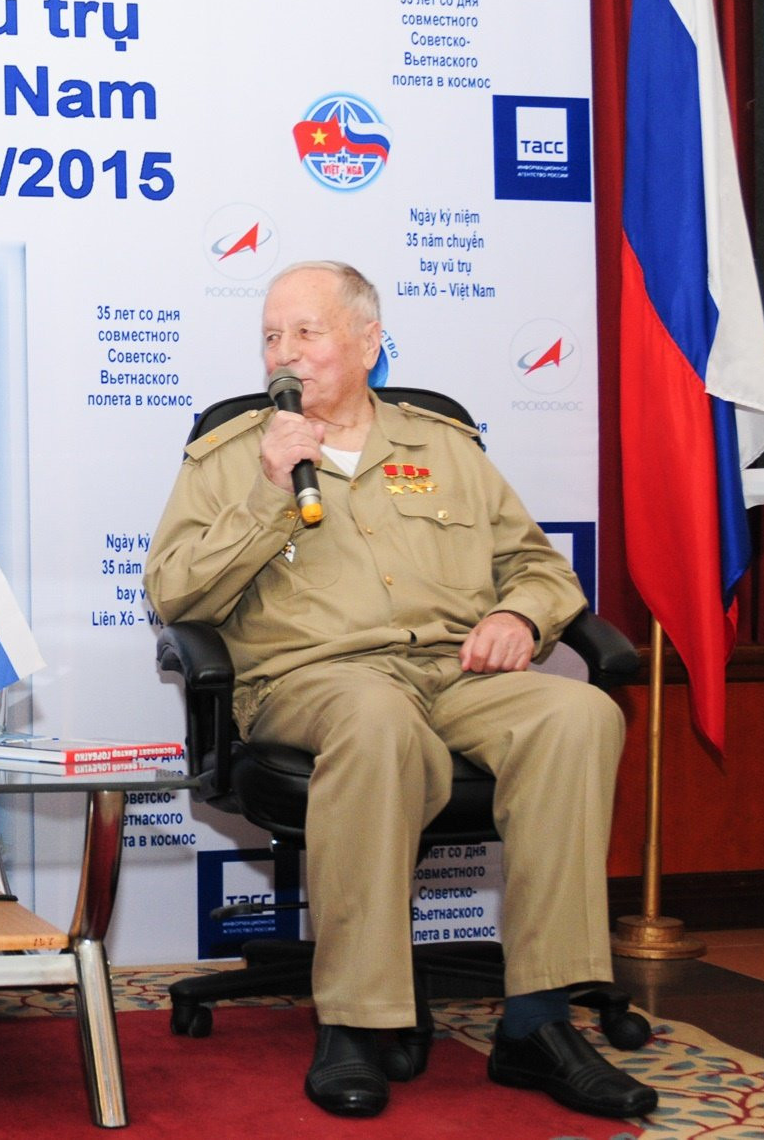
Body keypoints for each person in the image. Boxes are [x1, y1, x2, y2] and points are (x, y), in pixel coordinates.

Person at [144, 261, 656, 1120]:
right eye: (271, 336)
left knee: (577, 714)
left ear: (369, 340)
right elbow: (174, 596)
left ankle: (537, 1023)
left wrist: (522, 617)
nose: (283, 352)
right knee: (376, 719)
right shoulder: (233, 457)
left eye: (306, 332)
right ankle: (353, 1020)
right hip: (311, 680)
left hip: (455, 673)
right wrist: (269, 494)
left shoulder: (443, 446)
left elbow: (537, 567)